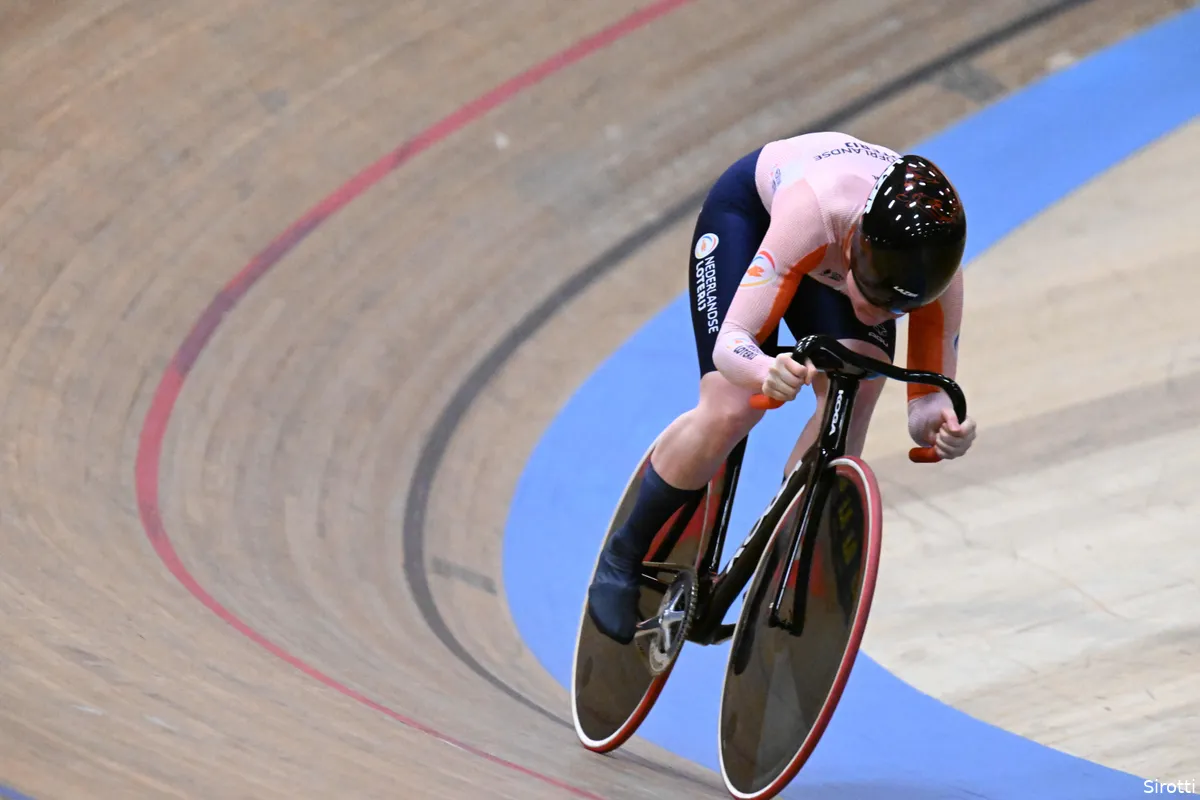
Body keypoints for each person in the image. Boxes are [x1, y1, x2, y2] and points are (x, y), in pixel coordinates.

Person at [587, 131, 979, 644]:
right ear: (859, 240)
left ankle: (790, 549)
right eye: (876, 290)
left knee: (858, 384)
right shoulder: (813, 212)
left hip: (836, 257)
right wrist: (763, 371)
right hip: (754, 220)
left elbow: (926, 403)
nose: (880, 313)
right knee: (732, 408)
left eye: (898, 308)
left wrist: (942, 427)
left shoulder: (935, 273)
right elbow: (734, 344)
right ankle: (623, 554)